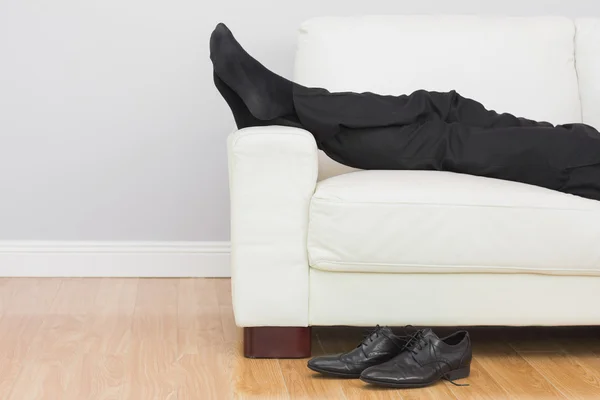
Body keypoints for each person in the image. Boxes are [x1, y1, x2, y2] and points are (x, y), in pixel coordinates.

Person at [210, 23, 600, 201]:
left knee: (448, 142)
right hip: (586, 143)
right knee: (444, 105)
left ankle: (285, 106)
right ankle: (289, 104)